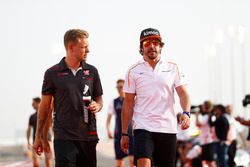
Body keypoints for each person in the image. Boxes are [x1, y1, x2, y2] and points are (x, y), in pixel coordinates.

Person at [120, 28, 191, 167]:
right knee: (143, 164)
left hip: (167, 128)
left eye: (155, 42)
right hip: (143, 127)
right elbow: (128, 104)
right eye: (147, 43)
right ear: (141, 47)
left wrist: (186, 113)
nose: (152, 46)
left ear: (160, 45)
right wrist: (124, 133)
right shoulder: (133, 71)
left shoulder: (173, 67)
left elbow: (183, 93)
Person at [33, 29, 103, 167]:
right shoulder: (52, 73)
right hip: (63, 137)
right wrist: (38, 136)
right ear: (71, 48)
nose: (88, 50)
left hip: (88, 136)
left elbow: (99, 99)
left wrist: (98, 105)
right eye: (84, 47)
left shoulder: (92, 71)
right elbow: (45, 106)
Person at [106, 79, 135, 167]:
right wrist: (108, 130)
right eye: (118, 87)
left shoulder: (132, 101)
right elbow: (109, 118)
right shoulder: (113, 102)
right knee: (119, 162)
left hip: (132, 134)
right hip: (118, 134)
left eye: (121, 87)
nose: (119, 89)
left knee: (132, 161)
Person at [26, 97, 53, 167]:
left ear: (38, 103)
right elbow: (28, 129)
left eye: (33, 103)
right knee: (35, 162)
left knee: (48, 161)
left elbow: (52, 126)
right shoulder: (32, 117)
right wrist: (28, 141)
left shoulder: (48, 114)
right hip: (36, 141)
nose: (32, 105)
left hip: (47, 140)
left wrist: (55, 139)